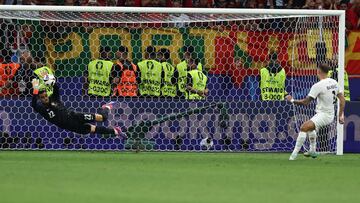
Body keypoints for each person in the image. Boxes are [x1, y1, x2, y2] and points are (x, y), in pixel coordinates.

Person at [286, 64, 345, 160]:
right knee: (311, 129)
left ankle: (293, 155)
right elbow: (342, 99)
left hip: (324, 115)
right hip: (328, 114)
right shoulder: (334, 82)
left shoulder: (318, 85)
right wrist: (340, 115)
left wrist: (292, 100)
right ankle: (312, 151)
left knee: (304, 127)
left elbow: (305, 102)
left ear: (318, 72)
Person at [31, 78, 123, 137]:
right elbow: (33, 104)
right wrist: (35, 89)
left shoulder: (53, 99)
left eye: (46, 96)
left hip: (74, 116)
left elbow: (56, 88)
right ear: (40, 98)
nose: (45, 98)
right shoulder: (41, 109)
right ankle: (116, 131)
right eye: (42, 97)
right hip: (71, 127)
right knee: (92, 129)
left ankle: (106, 107)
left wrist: (48, 80)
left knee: (103, 118)